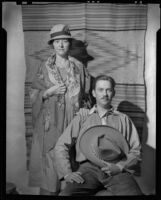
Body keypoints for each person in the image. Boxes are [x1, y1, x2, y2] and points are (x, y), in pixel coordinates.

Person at [28, 24, 91, 195]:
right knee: (49, 169)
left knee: (68, 164)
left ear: (69, 44)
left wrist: (84, 110)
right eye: (57, 42)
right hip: (50, 124)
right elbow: (33, 93)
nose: (61, 45)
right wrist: (49, 91)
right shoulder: (44, 67)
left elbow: (86, 96)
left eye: (64, 41)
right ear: (52, 44)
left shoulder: (79, 67)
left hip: (72, 123)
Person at [54, 75, 143, 196]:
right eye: (100, 90)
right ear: (94, 93)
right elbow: (61, 145)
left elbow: (136, 151)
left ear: (113, 93)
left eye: (108, 90)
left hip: (116, 168)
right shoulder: (83, 116)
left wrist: (120, 167)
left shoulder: (124, 119)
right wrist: (66, 173)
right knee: (66, 195)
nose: (105, 94)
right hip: (88, 169)